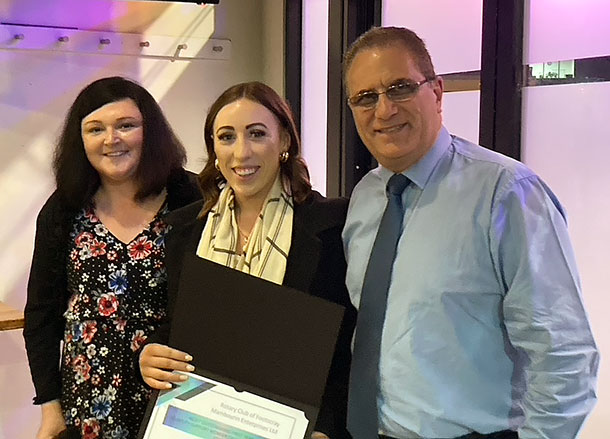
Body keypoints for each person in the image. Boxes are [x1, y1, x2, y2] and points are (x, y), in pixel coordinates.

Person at [341, 26, 599, 439]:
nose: (384, 110)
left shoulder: (508, 193)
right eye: (365, 97)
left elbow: (563, 354)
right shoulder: (367, 198)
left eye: (401, 88)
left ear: (438, 92)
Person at [138, 81, 356, 439]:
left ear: (284, 141)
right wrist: (149, 357)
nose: (241, 153)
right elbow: (180, 328)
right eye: (226, 137)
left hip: (293, 427)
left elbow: (346, 342)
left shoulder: (331, 225)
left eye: (256, 134)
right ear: (213, 148)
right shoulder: (183, 230)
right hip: (200, 422)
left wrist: (327, 426)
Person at [23, 76, 202, 439]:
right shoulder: (63, 209)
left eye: (126, 125)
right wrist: (50, 409)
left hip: (173, 393)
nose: (111, 139)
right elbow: (41, 315)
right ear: (80, 140)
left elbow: (213, 303)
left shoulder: (192, 198)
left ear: (150, 132)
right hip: (86, 403)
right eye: (95, 129)